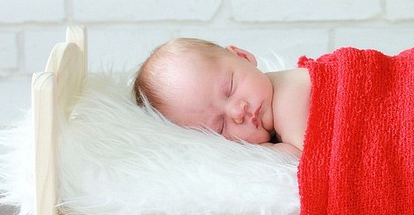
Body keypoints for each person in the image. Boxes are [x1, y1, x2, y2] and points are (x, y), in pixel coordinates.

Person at [133, 38, 310, 157]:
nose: (237, 113)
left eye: (230, 88)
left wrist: (266, 150)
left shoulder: (291, 97)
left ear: (243, 57)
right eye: (221, 126)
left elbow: (310, 156)